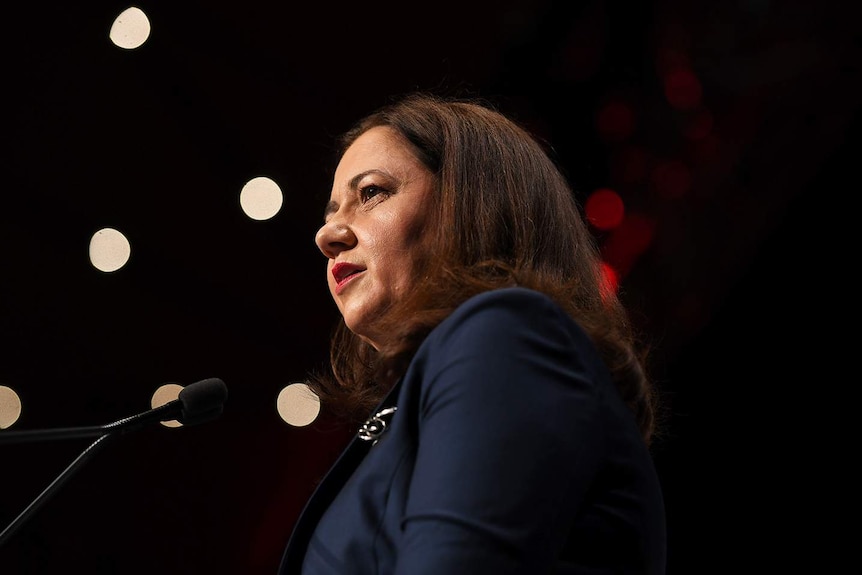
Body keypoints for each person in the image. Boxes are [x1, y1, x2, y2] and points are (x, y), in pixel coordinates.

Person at [278, 91, 667, 574]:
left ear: (469, 200)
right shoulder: (433, 393)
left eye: (371, 193)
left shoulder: (506, 337)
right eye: (330, 211)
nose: (327, 234)